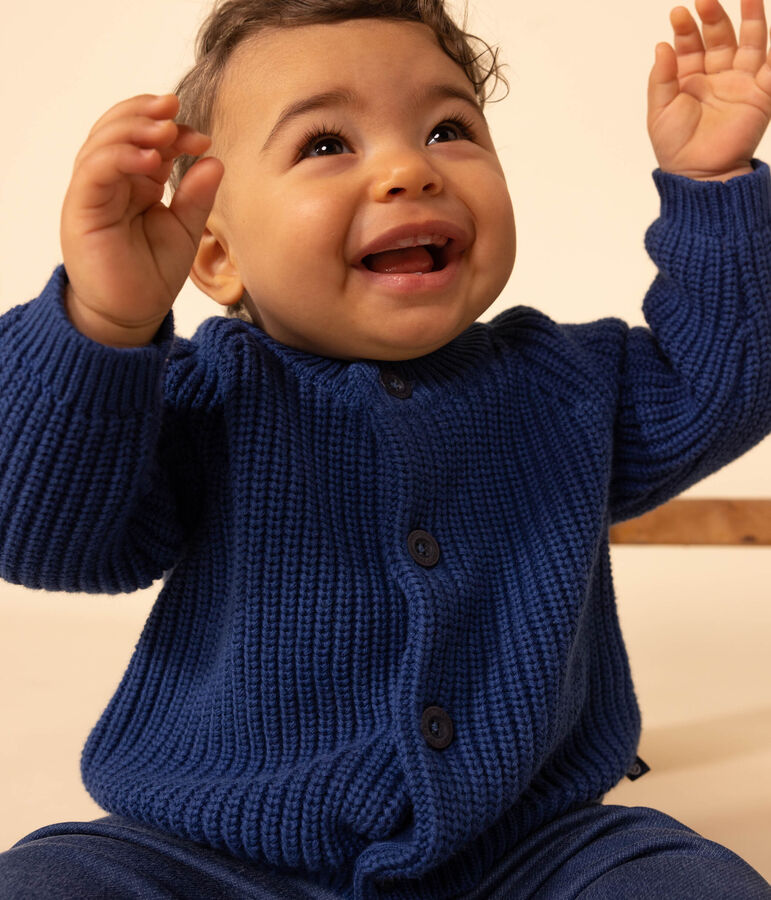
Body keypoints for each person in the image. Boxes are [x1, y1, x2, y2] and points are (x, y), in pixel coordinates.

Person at [0, 0, 769, 896]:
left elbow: (728, 379)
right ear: (214, 253)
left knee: (688, 882)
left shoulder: (564, 384)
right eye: (325, 144)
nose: (409, 168)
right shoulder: (198, 397)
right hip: (213, 847)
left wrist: (713, 185)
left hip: (527, 846)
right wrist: (104, 324)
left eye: (447, 129)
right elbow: (40, 533)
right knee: (48, 881)